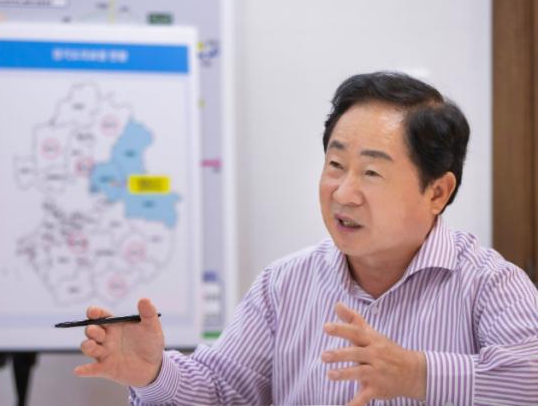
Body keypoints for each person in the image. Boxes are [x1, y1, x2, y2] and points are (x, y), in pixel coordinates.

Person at [74, 72, 538, 405]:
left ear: (437, 192)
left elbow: (530, 381)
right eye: (335, 165)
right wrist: (155, 374)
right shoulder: (284, 284)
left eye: (372, 172)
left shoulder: (489, 283)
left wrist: (418, 374)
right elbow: (222, 390)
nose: (344, 192)